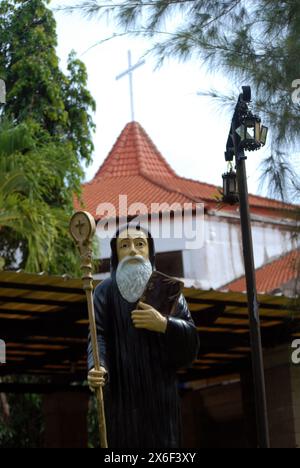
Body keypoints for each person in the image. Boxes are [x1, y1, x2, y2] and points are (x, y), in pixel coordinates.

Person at [88, 224, 199, 448]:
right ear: (116, 253)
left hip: (160, 397)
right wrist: (97, 366)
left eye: (140, 244)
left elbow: (192, 340)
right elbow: (97, 335)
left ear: (150, 251)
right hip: (121, 396)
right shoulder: (104, 292)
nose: (133, 251)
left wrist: (165, 325)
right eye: (125, 245)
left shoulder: (168, 291)